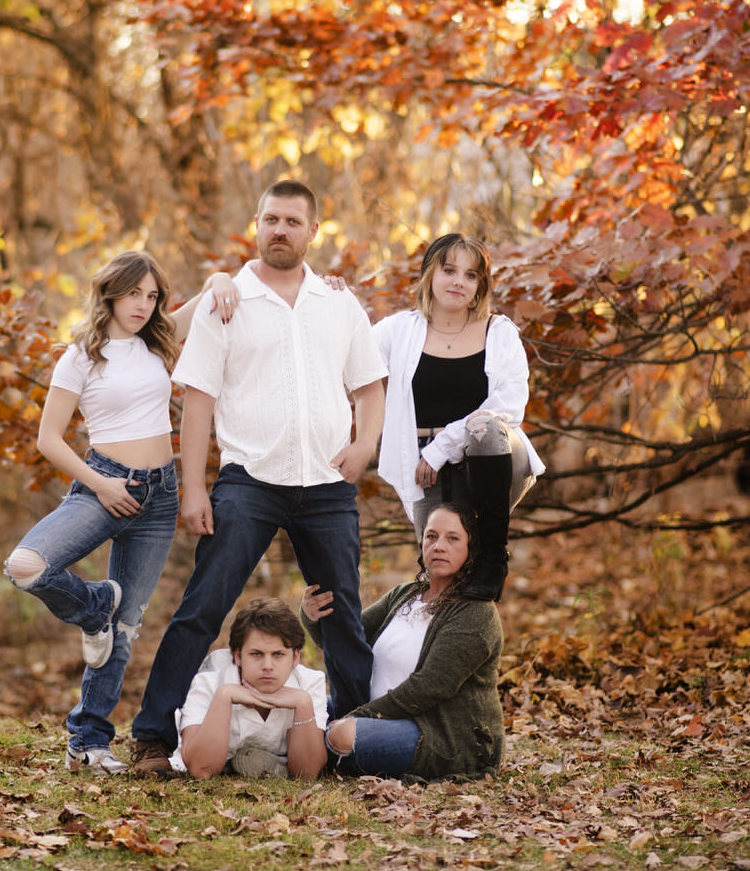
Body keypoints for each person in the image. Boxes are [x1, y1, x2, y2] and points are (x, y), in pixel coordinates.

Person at [126, 179, 388, 776]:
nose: (280, 230)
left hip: (325, 485)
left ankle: (359, 738)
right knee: (204, 606)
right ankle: (150, 738)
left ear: (313, 231)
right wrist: (196, 486)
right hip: (249, 481)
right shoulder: (229, 300)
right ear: (256, 223)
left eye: (293, 221)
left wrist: (364, 444)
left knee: (341, 612)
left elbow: (370, 387)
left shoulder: (338, 303)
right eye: (271, 219)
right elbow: (198, 399)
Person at [4, 250, 241, 774]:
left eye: (153, 296)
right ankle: (94, 608)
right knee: (27, 566)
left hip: (159, 496)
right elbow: (49, 438)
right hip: (103, 485)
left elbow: (210, 296)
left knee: (127, 627)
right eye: (134, 293)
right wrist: (100, 484)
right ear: (110, 292)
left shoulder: (156, 340)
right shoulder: (81, 357)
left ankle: (88, 740)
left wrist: (222, 274)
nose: (144, 304)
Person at [373, 232, 546, 600]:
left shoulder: (499, 332)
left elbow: (511, 404)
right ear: (429, 274)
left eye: (471, 275)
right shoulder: (398, 331)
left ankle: (495, 558)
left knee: (484, 427)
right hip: (421, 464)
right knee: (440, 575)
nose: (459, 282)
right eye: (449, 270)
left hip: (486, 460)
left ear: (481, 285)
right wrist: (327, 292)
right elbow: (345, 353)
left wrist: (443, 446)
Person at [302, 501, 503, 781]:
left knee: (342, 734)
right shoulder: (404, 595)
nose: (439, 546)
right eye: (431, 536)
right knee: (301, 704)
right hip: (375, 713)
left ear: (471, 548)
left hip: (438, 736)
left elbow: (429, 687)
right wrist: (313, 616)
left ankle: (303, 751)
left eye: (453, 538)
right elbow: (348, 642)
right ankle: (292, 747)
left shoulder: (476, 612)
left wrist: (358, 717)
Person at [170, 597, 328, 779]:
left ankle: (274, 762)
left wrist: (303, 703)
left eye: (278, 654)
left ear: (295, 657)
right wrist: (224, 696)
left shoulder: (309, 683)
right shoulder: (210, 682)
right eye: (256, 654)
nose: (267, 665)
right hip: (213, 757)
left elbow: (306, 774)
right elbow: (201, 769)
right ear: (238, 656)